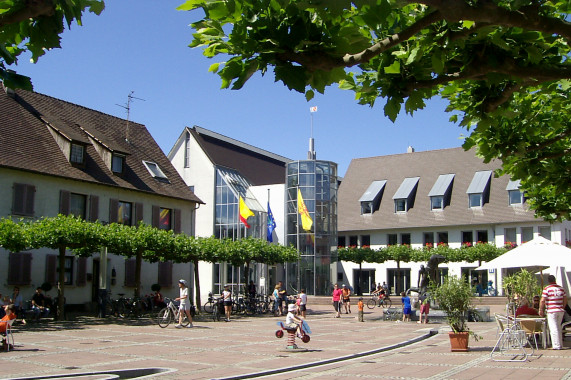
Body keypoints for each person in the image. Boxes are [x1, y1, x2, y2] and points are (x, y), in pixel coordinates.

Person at [539, 275, 568, 350]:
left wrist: (540, 309)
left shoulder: (547, 289)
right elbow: (565, 299)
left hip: (551, 310)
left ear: (548, 281)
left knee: (553, 327)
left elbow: (542, 300)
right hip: (560, 310)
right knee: (558, 327)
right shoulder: (561, 289)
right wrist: (562, 307)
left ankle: (556, 345)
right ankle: (560, 344)